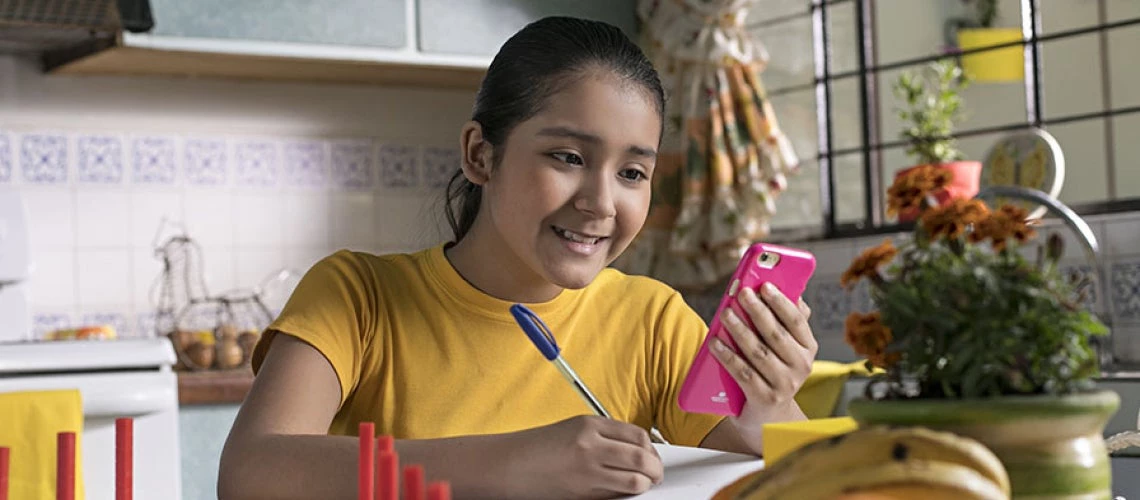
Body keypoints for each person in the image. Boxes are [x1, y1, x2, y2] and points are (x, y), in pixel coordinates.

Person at [218, 16, 817, 500]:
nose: (601, 203)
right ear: (481, 155)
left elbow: (800, 479)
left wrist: (768, 407)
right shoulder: (356, 296)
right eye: (568, 157)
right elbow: (252, 472)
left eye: (633, 172)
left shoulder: (652, 319)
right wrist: (512, 462)